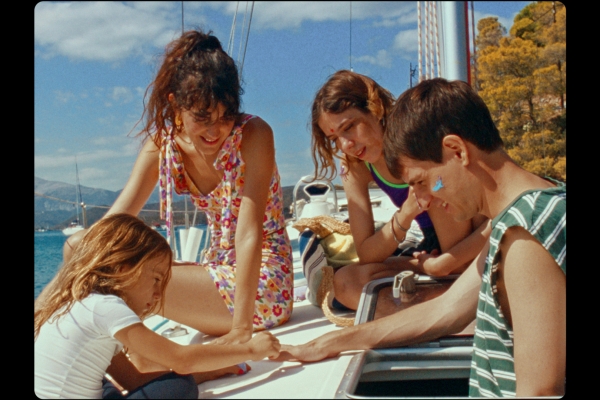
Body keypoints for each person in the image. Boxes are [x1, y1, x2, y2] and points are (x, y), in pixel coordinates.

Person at [280, 78, 566, 397]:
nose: (422, 199)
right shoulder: (518, 219)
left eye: (420, 182)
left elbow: (539, 392)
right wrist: (329, 343)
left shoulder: (525, 236)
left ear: (456, 151)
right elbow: (445, 310)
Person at [38, 29, 293, 341]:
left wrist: (241, 331)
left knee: (101, 266)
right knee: (79, 245)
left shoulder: (253, 135)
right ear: (175, 105)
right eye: (203, 117)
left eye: (225, 116)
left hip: (262, 285)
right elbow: (114, 224)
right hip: (213, 273)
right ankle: (42, 323)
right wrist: (43, 304)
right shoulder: (163, 146)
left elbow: (249, 231)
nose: (215, 131)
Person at [35, 213, 281, 399]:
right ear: (122, 269)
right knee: (179, 387)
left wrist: (203, 371)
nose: (157, 293)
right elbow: (181, 359)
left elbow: (130, 378)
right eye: (155, 279)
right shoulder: (106, 307)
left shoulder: (80, 304)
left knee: (111, 385)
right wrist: (251, 350)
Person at [310, 70, 490, 313]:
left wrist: (440, 265)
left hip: (476, 238)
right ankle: (453, 301)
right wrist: (405, 215)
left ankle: (440, 305)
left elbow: (480, 220)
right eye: (334, 139)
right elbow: (366, 253)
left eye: (349, 127)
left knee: (434, 190)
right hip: (435, 251)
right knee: (345, 282)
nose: (345, 145)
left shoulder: (415, 138)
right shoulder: (354, 166)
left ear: (375, 108)